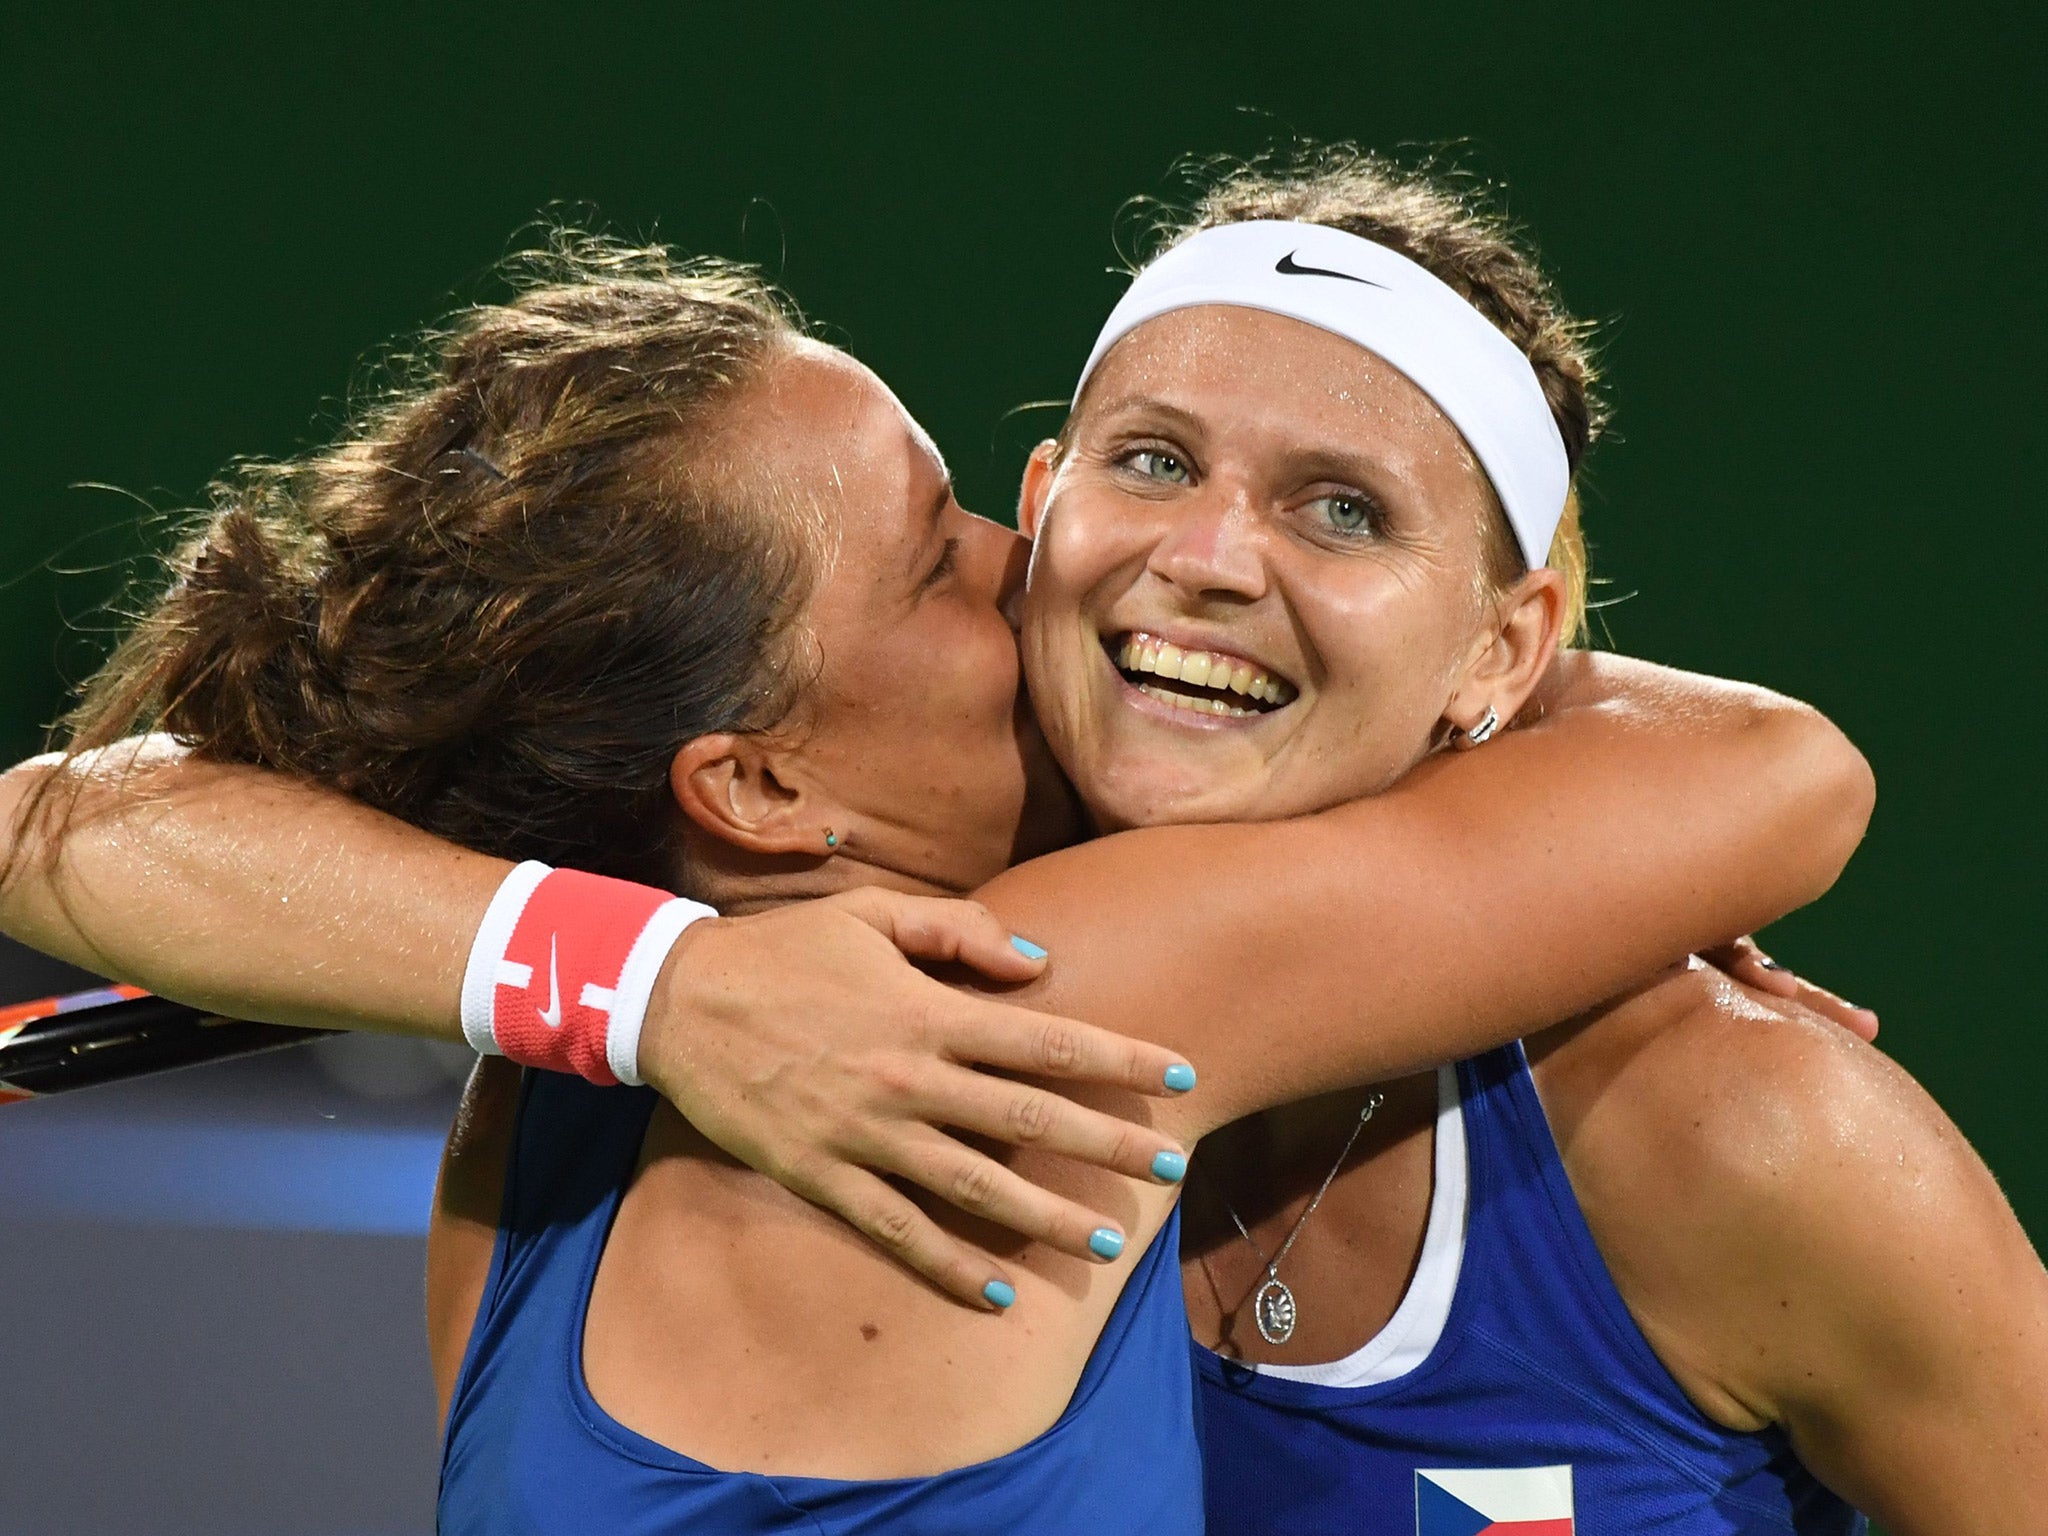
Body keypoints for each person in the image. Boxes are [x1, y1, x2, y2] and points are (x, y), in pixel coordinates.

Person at [0, 182, 1879, 1529]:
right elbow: (1783, 772)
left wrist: (659, 982)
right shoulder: (1058, 1001)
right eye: (941, 557)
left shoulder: (534, 1103)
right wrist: (1442, 692)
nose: (1031, 555)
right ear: (756, 788)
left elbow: (53, 819)